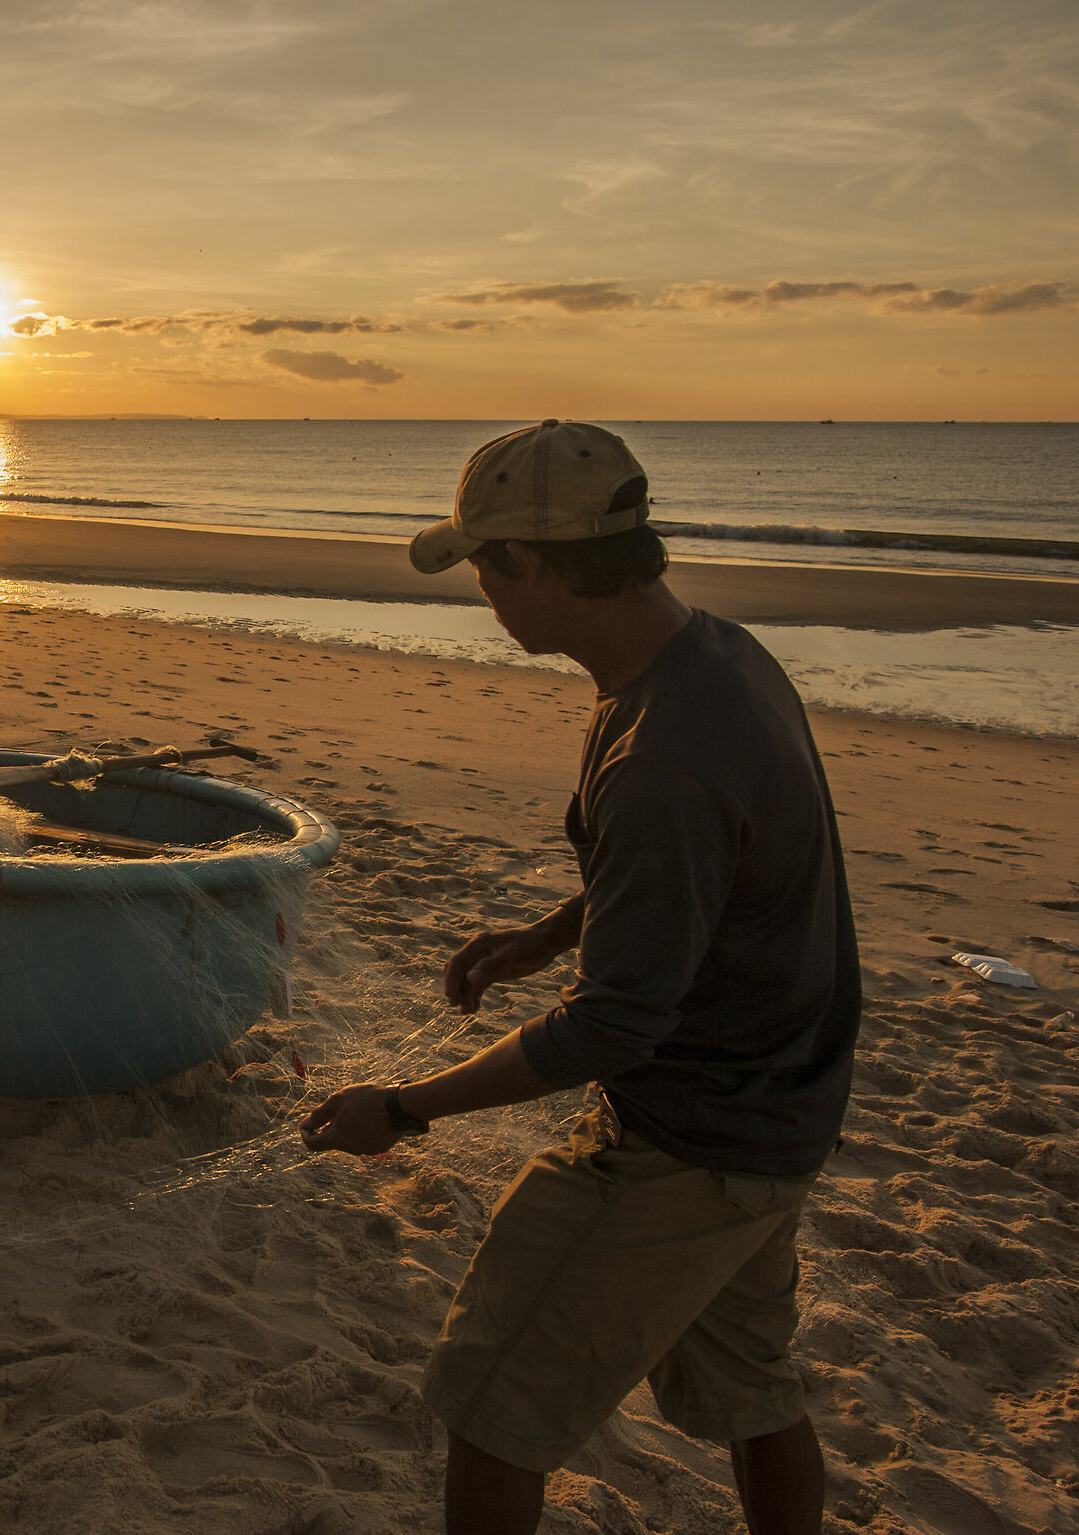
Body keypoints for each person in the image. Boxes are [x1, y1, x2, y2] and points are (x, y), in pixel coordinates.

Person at [301, 420, 858, 1535]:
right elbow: (715, 874)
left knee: (492, 1398)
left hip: (689, 1143)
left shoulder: (664, 753)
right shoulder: (722, 656)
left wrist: (404, 1110)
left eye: (485, 568)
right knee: (754, 1386)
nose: (483, 595)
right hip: (785, 1110)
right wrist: (555, 932)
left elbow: (610, 1030)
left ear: (537, 567)